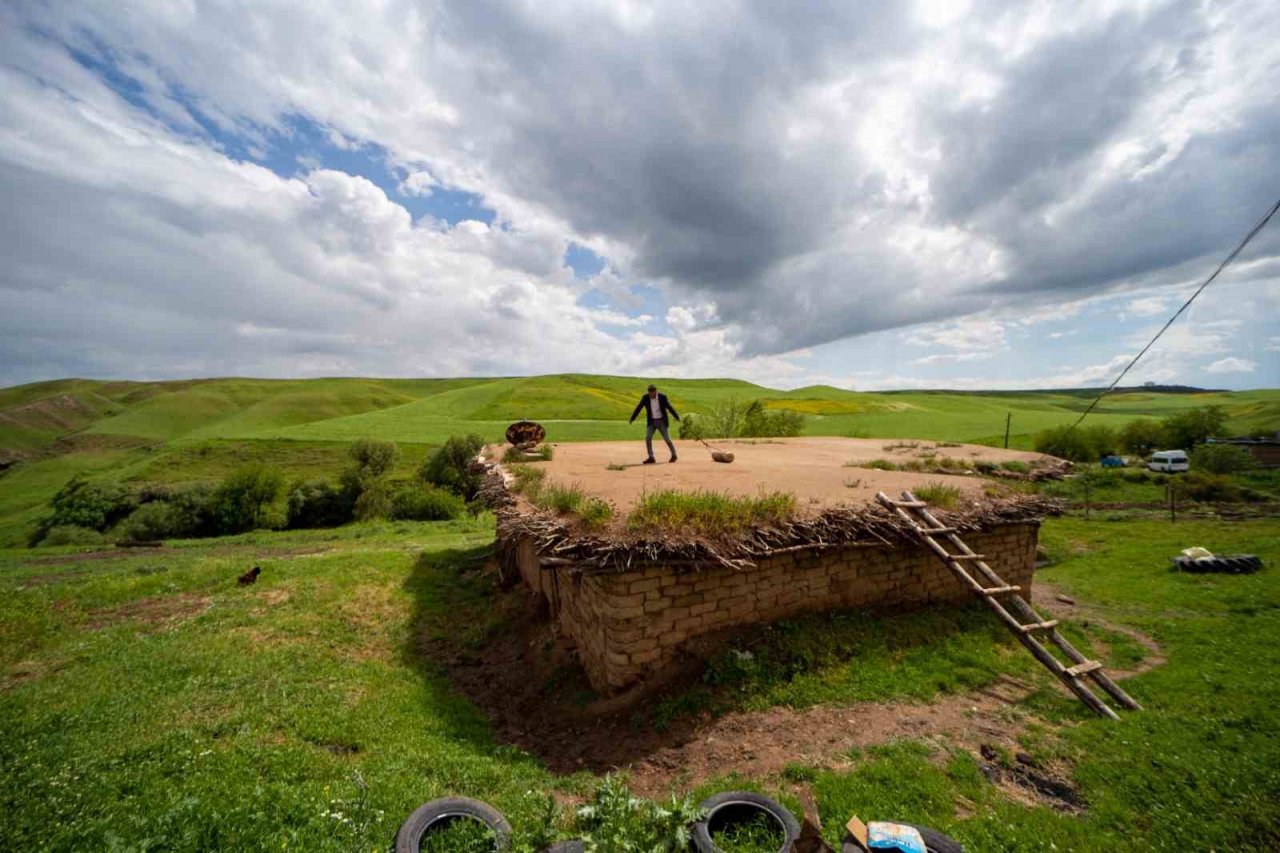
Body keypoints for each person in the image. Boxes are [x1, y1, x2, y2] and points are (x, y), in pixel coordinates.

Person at [629, 383, 679, 464]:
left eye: (652, 392)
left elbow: (669, 407)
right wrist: (632, 418)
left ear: (656, 391)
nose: (651, 394)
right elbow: (639, 407)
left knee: (667, 438)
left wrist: (676, 416)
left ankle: (674, 455)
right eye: (649, 392)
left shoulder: (663, 397)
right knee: (648, 438)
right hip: (652, 421)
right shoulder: (645, 398)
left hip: (662, 421)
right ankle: (651, 457)